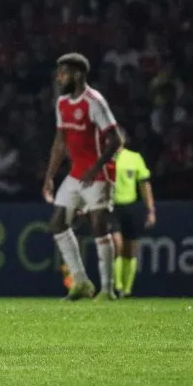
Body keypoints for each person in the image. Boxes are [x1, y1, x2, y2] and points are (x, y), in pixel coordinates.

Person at [43, 53, 124, 301]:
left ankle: (108, 290)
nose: (59, 77)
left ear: (77, 74)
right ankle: (80, 282)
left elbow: (116, 140)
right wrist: (49, 176)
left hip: (98, 174)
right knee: (57, 222)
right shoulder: (62, 104)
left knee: (98, 225)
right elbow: (60, 143)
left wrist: (96, 166)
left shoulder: (94, 102)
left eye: (63, 72)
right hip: (76, 174)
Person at [110, 127, 156, 297]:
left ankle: (127, 290)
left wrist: (150, 210)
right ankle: (118, 286)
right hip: (111, 207)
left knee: (131, 249)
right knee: (116, 245)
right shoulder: (103, 158)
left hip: (131, 206)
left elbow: (144, 184)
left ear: (124, 139)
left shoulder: (134, 158)